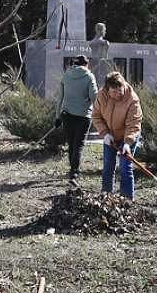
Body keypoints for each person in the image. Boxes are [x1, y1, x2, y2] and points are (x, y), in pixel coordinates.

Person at [91, 71, 143, 200]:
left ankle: (127, 201)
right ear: (108, 90)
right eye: (114, 92)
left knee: (125, 167)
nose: (118, 94)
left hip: (128, 136)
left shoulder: (132, 99)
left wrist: (127, 143)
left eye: (120, 90)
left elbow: (134, 123)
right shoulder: (101, 96)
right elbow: (96, 116)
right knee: (108, 166)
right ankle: (106, 197)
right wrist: (105, 133)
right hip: (110, 137)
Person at [55, 54, 98, 186]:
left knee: (71, 144)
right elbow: (94, 97)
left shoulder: (66, 75)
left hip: (67, 115)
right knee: (78, 145)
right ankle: (74, 172)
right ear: (86, 64)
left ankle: (72, 171)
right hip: (83, 116)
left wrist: (57, 117)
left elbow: (59, 98)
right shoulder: (89, 76)